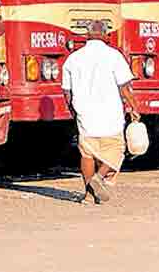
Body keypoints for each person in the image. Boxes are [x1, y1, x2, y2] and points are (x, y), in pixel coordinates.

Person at [61, 20, 141, 204]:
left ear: (87, 35)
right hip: (110, 113)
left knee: (87, 155)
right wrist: (134, 108)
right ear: (106, 35)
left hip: (84, 114)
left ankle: (89, 195)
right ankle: (99, 177)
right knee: (117, 151)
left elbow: (66, 90)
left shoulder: (73, 58)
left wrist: (73, 111)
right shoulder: (114, 56)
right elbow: (125, 87)